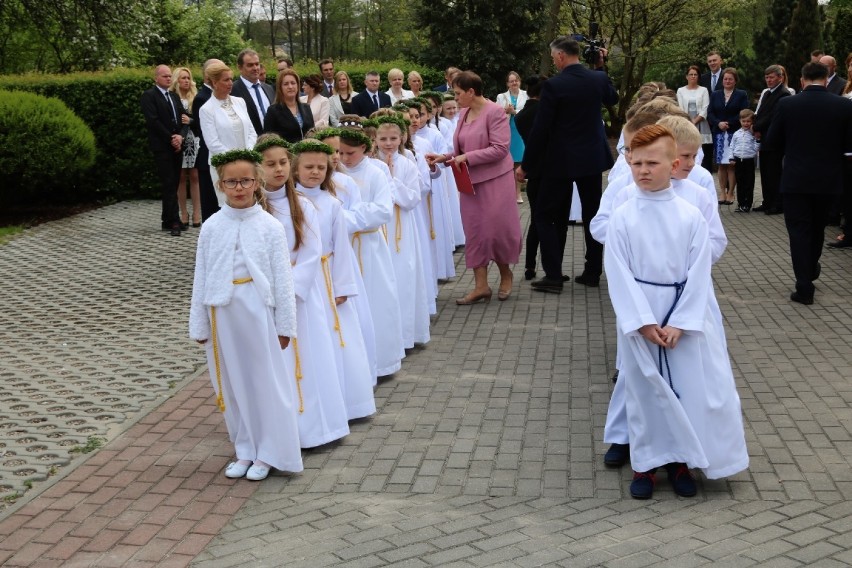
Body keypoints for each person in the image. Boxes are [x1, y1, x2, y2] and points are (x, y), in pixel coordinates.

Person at [604, 124, 748, 499]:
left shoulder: (689, 215)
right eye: (636, 163)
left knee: (683, 389)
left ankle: (680, 461)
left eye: (653, 162)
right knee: (644, 392)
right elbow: (617, 272)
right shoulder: (623, 215)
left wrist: (681, 323)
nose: (643, 170)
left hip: (680, 317)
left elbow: (699, 273)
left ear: (675, 163)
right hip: (641, 317)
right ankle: (645, 465)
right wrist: (643, 322)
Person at [188, 149, 303, 481]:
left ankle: (270, 452)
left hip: (257, 312)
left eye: (245, 181)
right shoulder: (212, 226)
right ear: (221, 184)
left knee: (264, 382)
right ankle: (246, 448)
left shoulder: (269, 227)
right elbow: (201, 275)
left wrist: (285, 325)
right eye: (231, 181)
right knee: (234, 384)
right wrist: (198, 322)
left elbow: (282, 280)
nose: (239, 187)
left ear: (257, 182)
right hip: (222, 315)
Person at [256, 134, 352, 446]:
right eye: (270, 164)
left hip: (302, 298)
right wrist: (269, 293)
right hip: (266, 299)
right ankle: (281, 431)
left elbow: (312, 252)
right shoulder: (255, 209)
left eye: (283, 162)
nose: (279, 169)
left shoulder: (305, 207)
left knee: (311, 361)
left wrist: (290, 291)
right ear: (259, 168)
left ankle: (317, 429)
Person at [516, 36, 618, 292]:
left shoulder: (554, 86)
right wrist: (601, 67)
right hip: (592, 158)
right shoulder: (598, 78)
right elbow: (613, 99)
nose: (553, 61)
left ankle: (553, 275)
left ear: (561, 56)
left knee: (544, 214)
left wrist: (525, 165)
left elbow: (541, 129)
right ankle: (593, 271)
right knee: (593, 214)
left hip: (560, 161)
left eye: (553, 57)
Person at [426, 71, 522, 304]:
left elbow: (500, 148)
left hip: (495, 180)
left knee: (496, 231)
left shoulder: (495, 112)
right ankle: (481, 286)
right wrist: (445, 157)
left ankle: (506, 274)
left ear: (471, 91)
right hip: (469, 182)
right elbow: (462, 148)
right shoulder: (464, 112)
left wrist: (467, 157)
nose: (455, 98)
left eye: (458, 93)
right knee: (475, 231)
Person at [764, 62, 852, 305]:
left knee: (799, 231)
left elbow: (771, 141)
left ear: (802, 80)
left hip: (796, 179)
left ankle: (804, 285)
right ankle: (810, 266)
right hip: (828, 180)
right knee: (817, 228)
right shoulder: (844, 106)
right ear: (826, 79)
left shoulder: (787, 104)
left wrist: (790, 152)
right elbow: (848, 146)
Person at [337, 126, 406, 377]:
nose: (344, 158)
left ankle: (383, 362)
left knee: (378, 301)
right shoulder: (335, 173)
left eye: (350, 153)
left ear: (365, 148)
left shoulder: (376, 172)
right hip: (343, 248)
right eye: (340, 152)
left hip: (369, 245)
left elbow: (383, 210)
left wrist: (343, 218)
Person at [140, 64, 190, 236]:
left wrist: (181, 136)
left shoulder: (174, 97)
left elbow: (185, 119)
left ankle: (167, 219)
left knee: (174, 182)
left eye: (170, 76)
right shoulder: (149, 96)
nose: (168, 78)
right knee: (168, 182)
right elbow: (153, 121)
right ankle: (174, 220)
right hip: (162, 147)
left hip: (177, 146)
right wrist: (171, 138)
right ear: (156, 78)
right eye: (164, 76)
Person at [199, 62, 258, 206]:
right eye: (226, 80)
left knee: (250, 203)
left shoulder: (240, 102)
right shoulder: (206, 109)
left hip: (247, 165)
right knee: (229, 205)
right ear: (214, 82)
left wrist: (247, 155)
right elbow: (213, 143)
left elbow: (252, 132)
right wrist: (235, 160)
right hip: (223, 167)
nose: (230, 83)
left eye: (231, 79)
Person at [514, 75, 546, 280]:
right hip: (549, 169)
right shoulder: (545, 112)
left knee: (535, 220)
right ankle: (552, 267)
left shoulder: (520, 116)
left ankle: (529, 264)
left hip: (532, 169)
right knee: (551, 221)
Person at [753, 65, 792, 215]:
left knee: (774, 173)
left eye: (772, 77)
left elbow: (773, 117)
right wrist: (755, 126)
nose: (768, 80)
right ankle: (767, 201)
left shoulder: (783, 94)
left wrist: (756, 127)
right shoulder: (768, 94)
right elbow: (761, 112)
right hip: (764, 138)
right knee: (765, 172)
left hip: (775, 140)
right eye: (767, 77)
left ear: (780, 78)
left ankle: (777, 204)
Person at [707, 67, 748, 206]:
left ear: (735, 81)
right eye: (725, 79)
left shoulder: (741, 94)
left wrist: (729, 123)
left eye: (730, 79)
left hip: (733, 133)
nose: (727, 81)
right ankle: (722, 193)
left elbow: (743, 113)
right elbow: (710, 112)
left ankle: (731, 193)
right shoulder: (715, 94)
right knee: (721, 165)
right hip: (719, 133)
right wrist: (718, 123)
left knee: (731, 165)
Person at [169, 66, 201, 229]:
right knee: (180, 177)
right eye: (183, 78)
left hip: (194, 140)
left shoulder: (196, 97)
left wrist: (191, 121)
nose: (187, 81)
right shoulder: (172, 97)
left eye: (188, 78)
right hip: (180, 141)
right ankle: (183, 213)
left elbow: (202, 119)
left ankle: (197, 212)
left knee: (195, 176)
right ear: (177, 80)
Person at [192, 59, 224, 222]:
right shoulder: (202, 98)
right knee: (211, 206)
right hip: (209, 157)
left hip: (221, 155)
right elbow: (204, 131)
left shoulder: (225, 98)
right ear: (207, 76)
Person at [496, 71, 528, 204]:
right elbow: (496, 113)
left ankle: (518, 193)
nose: (514, 83)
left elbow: (527, 111)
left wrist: (514, 111)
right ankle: (507, 194)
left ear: (519, 81)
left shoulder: (525, 94)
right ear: (507, 84)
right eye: (511, 81)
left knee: (519, 162)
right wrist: (505, 110)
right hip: (507, 131)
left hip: (520, 131)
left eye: (516, 80)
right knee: (507, 163)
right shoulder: (501, 96)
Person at [230, 49, 274, 136]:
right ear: (240, 67)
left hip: (273, 142)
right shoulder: (233, 91)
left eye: (257, 64)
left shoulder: (269, 89)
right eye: (250, 65)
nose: (255, 68)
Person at [264, 69, 315, 143]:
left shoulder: (306, 108)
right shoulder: (273, 111)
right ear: (280, 88)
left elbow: (312, 133)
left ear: (298, 85)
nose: (290, 86)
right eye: (286, 84)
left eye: (293, 83)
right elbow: (268, 139)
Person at [676, 65, 711, 152]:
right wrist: (689, 122)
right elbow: (680, 108)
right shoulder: (680, 90)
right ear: (686, 76)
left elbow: (705, 107)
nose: (693, 76)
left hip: (701, 122)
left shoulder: (704, 90)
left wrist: (695, 121)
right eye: (691, 74)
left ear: (698, 76)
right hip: (685, 123)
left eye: (695, 74)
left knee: (701, 150)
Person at [729, 109, 758, 212]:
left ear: (752, 122)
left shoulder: (753, 134)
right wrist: (731, 157)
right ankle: (741, 203)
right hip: (738, 161)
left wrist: (757, 140)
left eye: (748, 121)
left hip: (749, 161)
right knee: (740, 182)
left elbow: (756, 147)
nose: (746, 123)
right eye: (743, 121)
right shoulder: (736, 133)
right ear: (740, 121)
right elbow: (732, 146)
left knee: (749, 183)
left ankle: (747, 204)